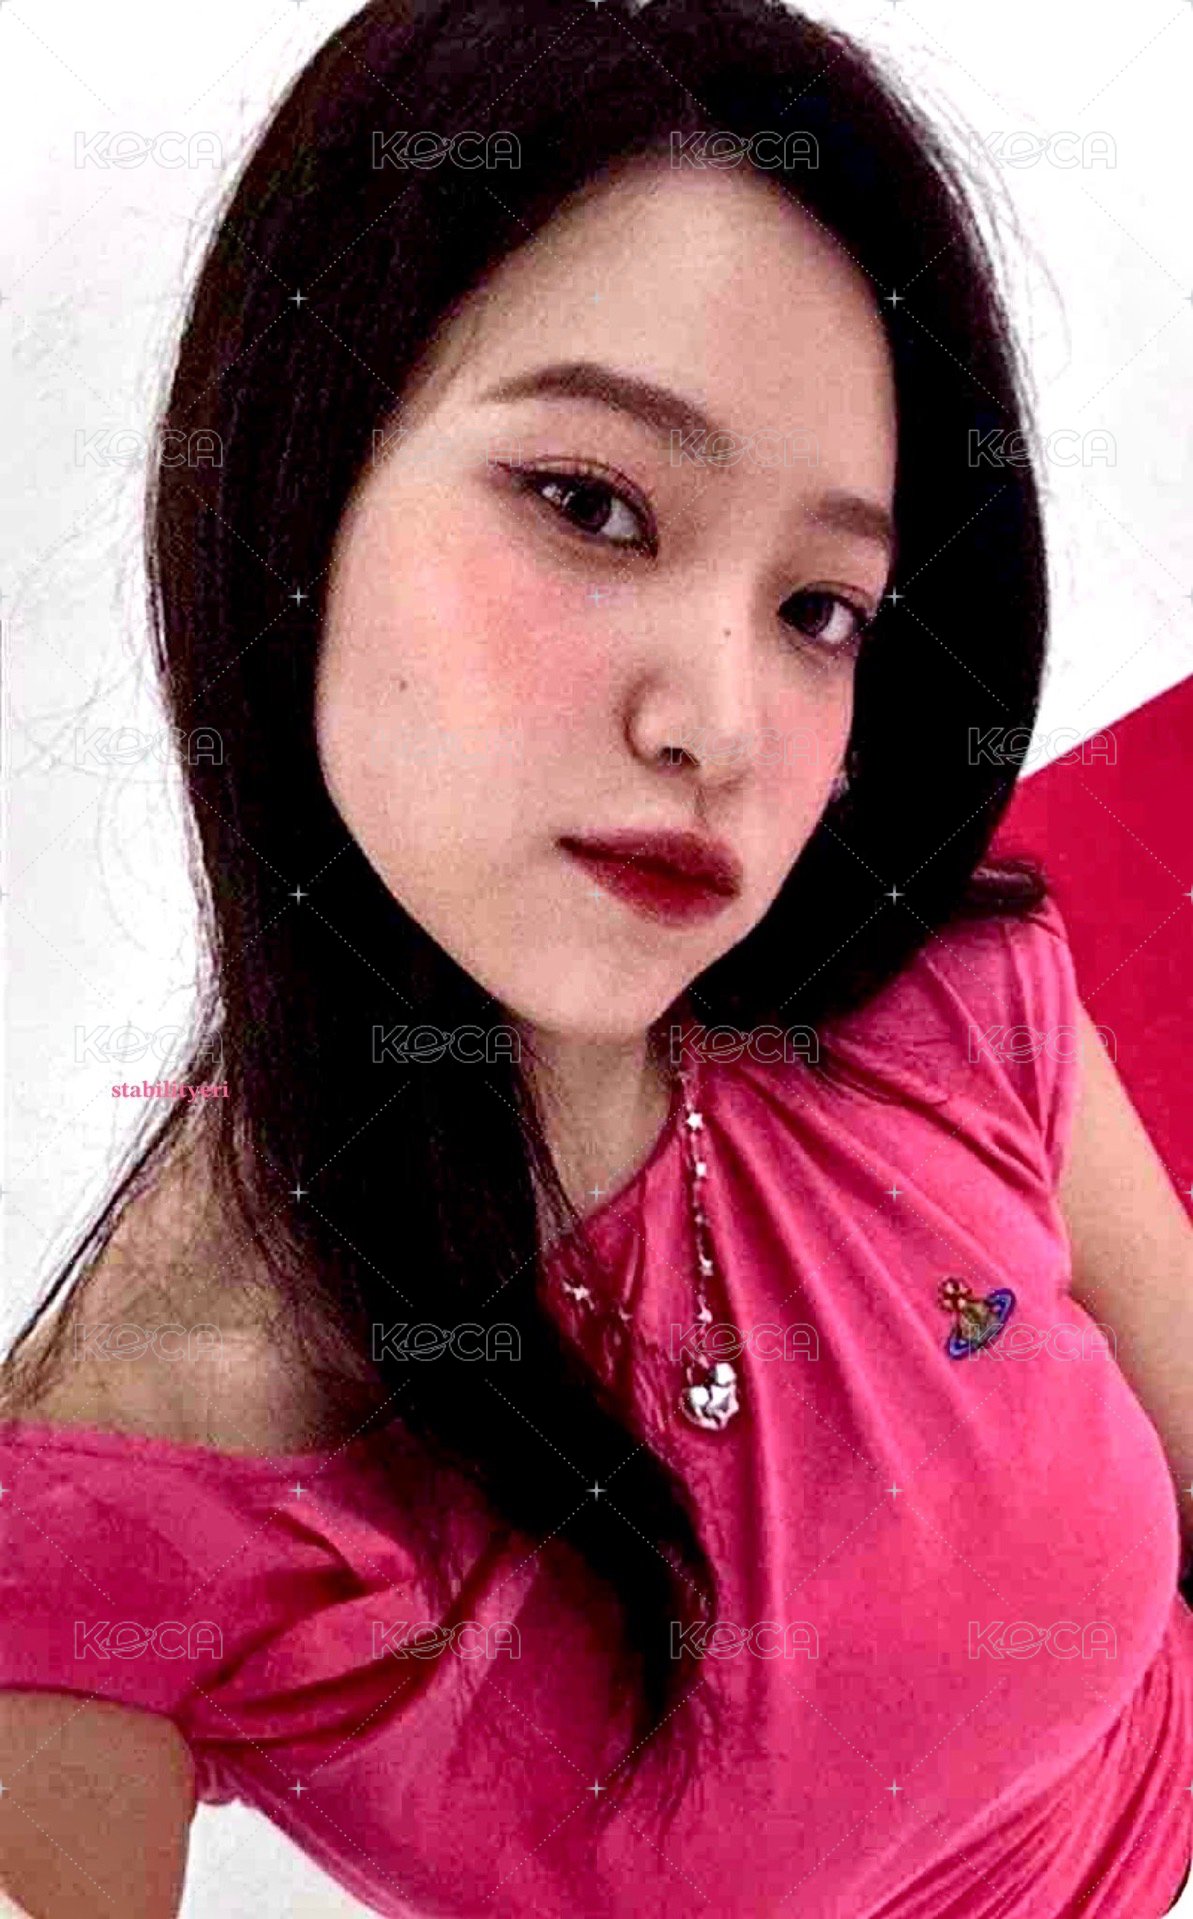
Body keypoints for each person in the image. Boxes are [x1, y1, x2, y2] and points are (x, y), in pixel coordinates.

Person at [3, 0, 1193, 1913]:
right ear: (299, 484)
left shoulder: (941, 995)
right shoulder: (127, 1473)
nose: (717, 724)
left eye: (818, 607)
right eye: (591, 504)